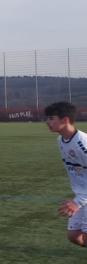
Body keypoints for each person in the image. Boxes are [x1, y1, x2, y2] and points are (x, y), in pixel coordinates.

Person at [44, 101, 87, 247]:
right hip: (82, 195)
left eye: (51, 118)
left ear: (65, 120)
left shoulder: (83, 144)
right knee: (73, 236)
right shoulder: (61, 140)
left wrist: (78, 202)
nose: (47, 122)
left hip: (83, 197)